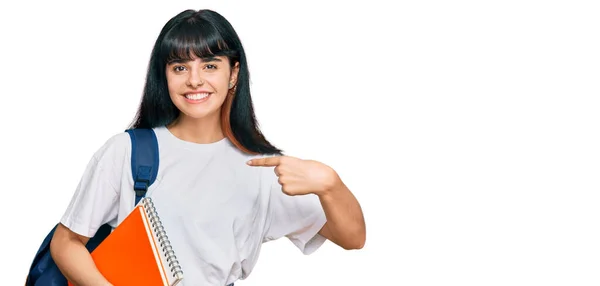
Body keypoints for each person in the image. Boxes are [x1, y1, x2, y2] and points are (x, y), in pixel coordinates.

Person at [49, 8, 366, 286]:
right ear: (165, 76)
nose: (194, 80)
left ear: (234, 73)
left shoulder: (263, 168)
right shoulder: (127, 151)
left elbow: (353, 238)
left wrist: (331, 185)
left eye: (210, 66)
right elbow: (66, 243)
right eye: (179, 67)